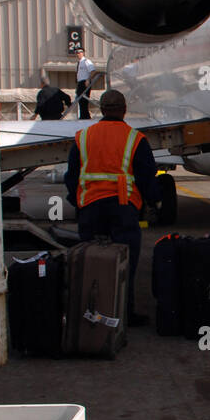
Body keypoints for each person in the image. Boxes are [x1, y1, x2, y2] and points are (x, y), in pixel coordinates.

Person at [65, 89, 161, 325]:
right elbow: (147, 176)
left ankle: (90, 314)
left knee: (90, 262)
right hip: (122, 209)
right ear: (124, 110)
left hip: (90, 208)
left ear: (102, 109)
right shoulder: (135, 139)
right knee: (125, 263)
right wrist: (153, 202)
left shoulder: (83, 137)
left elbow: (72, 176)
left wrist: (76, 201)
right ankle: (124, 314)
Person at [74, 47, 97, 120]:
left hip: (85, 82)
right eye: (77, 53)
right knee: (80, 100)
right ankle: (83, 115)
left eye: (79, 52)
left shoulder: (86, 61)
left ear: (83, 53)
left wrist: (88, 80)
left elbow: (93, 71)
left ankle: (85, 116)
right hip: (80, 82)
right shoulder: (79, 62)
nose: (78, 54)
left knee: (84, 100)